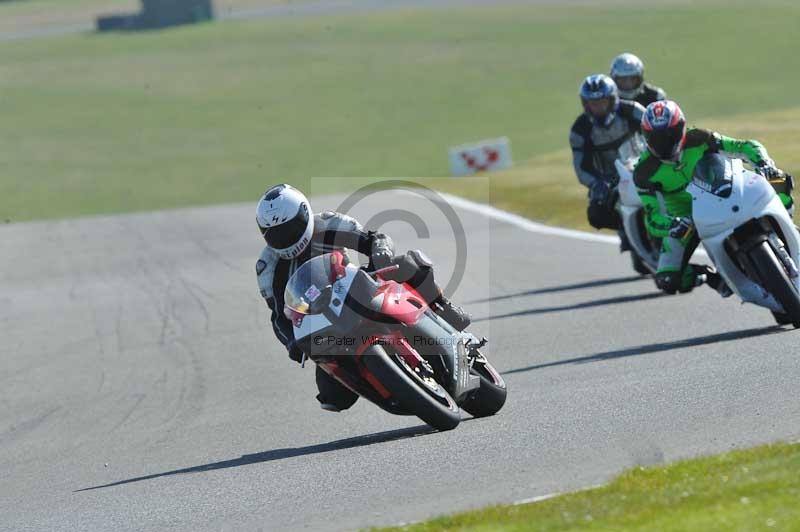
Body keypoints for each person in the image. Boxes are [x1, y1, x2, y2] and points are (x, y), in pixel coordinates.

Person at [255, 184, 471, 412]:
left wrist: (380, 252)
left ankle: (442, 308)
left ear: (305, 214)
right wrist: (292, 343)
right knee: (333, 397)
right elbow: (279, 316)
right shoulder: (267, 268)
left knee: (408, 264)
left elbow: (374, 238)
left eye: (291, 228)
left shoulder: (328, 224)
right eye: (275, 234)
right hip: (323, 323)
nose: (285, 238)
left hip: (357, 289)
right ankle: (388, 387)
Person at [634, 100, 794, 295]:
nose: (664, 143)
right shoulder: (644, 171)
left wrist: (764, 163)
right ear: (645, 136)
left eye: (669, 135)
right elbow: (651, 217)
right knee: (667, 280)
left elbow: (743, 146)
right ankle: (713, 278)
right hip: (687, 219)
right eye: (656, 138)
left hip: (724, 190)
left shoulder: (699, 137)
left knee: (778, 180)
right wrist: (672, 224)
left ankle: (791, 228)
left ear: (681, 128)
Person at [569, 74, 647, 269]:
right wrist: (596, 183)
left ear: (613, 99)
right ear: (585, 104)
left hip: (642, 167)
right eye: (592, 103)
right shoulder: (580, 129)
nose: (597, 107)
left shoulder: (633, 111)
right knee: (596, 213)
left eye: (602, 102)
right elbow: (582, 167)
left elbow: (655, 133)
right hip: (610, 179)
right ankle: (625, 230)